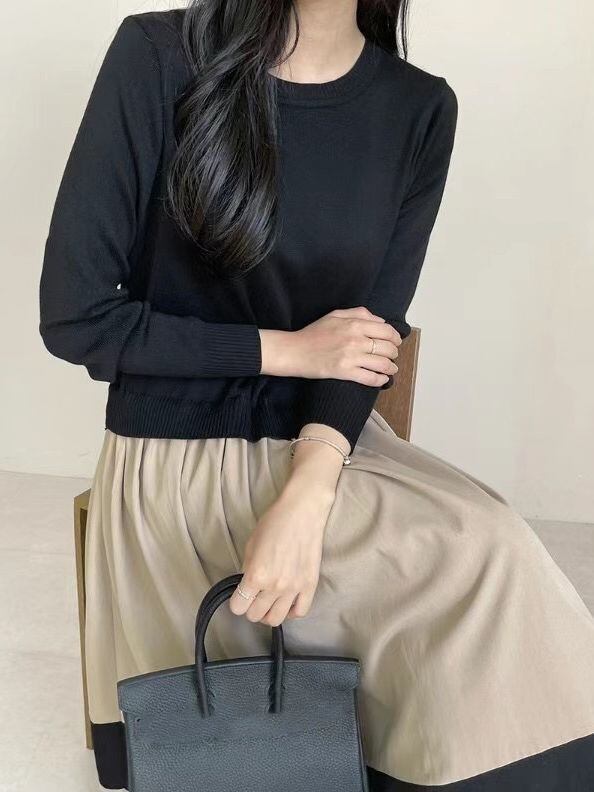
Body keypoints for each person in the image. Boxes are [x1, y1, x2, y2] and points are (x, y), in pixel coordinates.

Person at [38, 2, 594, 790]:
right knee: (467, 564)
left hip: (326, 440)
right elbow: (78, 318)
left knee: (489, 546)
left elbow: (373, 335)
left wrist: (310, 489)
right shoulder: (160, 55)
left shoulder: (418, 107)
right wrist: (289, 349)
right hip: (180, 452)